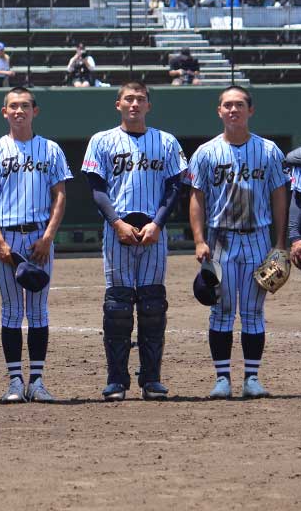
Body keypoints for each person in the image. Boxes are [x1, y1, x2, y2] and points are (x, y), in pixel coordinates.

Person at [82, 81, 187, 401]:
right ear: (118, 104)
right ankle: (116, 379)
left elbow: (174, 188)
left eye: (140, 99)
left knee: (153, 304)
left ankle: (152, 379)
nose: (134, 104)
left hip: (154, 231)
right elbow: (97, 188)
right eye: (128, 99)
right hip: (118, 231)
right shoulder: (102, 140)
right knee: (118, 307)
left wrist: (158, 223)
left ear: (148, 106)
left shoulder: (166, 141)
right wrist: (116, 222)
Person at [187, 86, 289, 399]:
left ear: (250, 110)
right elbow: (197, 197)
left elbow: (279, 196)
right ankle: (222, 379)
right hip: (220, 241)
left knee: (254, 311)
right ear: (219, 111)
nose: (234, 110)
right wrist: (199, 240)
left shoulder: (269, 151)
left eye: (239, 105)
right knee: (221, 311)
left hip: (258, 238)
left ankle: (252, 379)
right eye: (228, 105)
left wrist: (281, 243)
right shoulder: (205, 152)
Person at [0, 88, 72, 403]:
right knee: (12, 311)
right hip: (8, 238)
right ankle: (15, 381)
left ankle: (38, 381)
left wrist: (48, 237)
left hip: (40, 236)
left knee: (39, 311)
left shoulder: (51, 149)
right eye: (13, 106)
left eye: (25, 106)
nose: (19, 111)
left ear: (35, 111)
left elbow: (60, 195)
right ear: (4, 112)